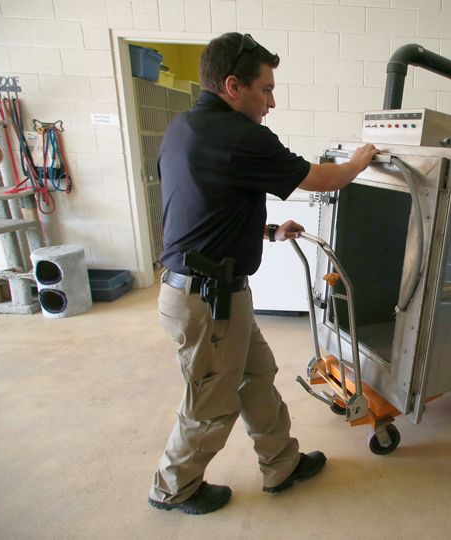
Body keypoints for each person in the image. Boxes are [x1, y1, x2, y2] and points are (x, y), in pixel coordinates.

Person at [148, 32, 378, 515]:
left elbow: (204, 206)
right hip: (207, 301)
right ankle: (173, 487)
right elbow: (324, 178)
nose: (271, 101)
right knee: (211, 402)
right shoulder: (243, 136)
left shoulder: (183, 128)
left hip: (210, 291)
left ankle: (281, 462)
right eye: (266, 89)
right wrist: (359, 159)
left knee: (257, 374)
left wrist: (268, 230)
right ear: (233, 86)